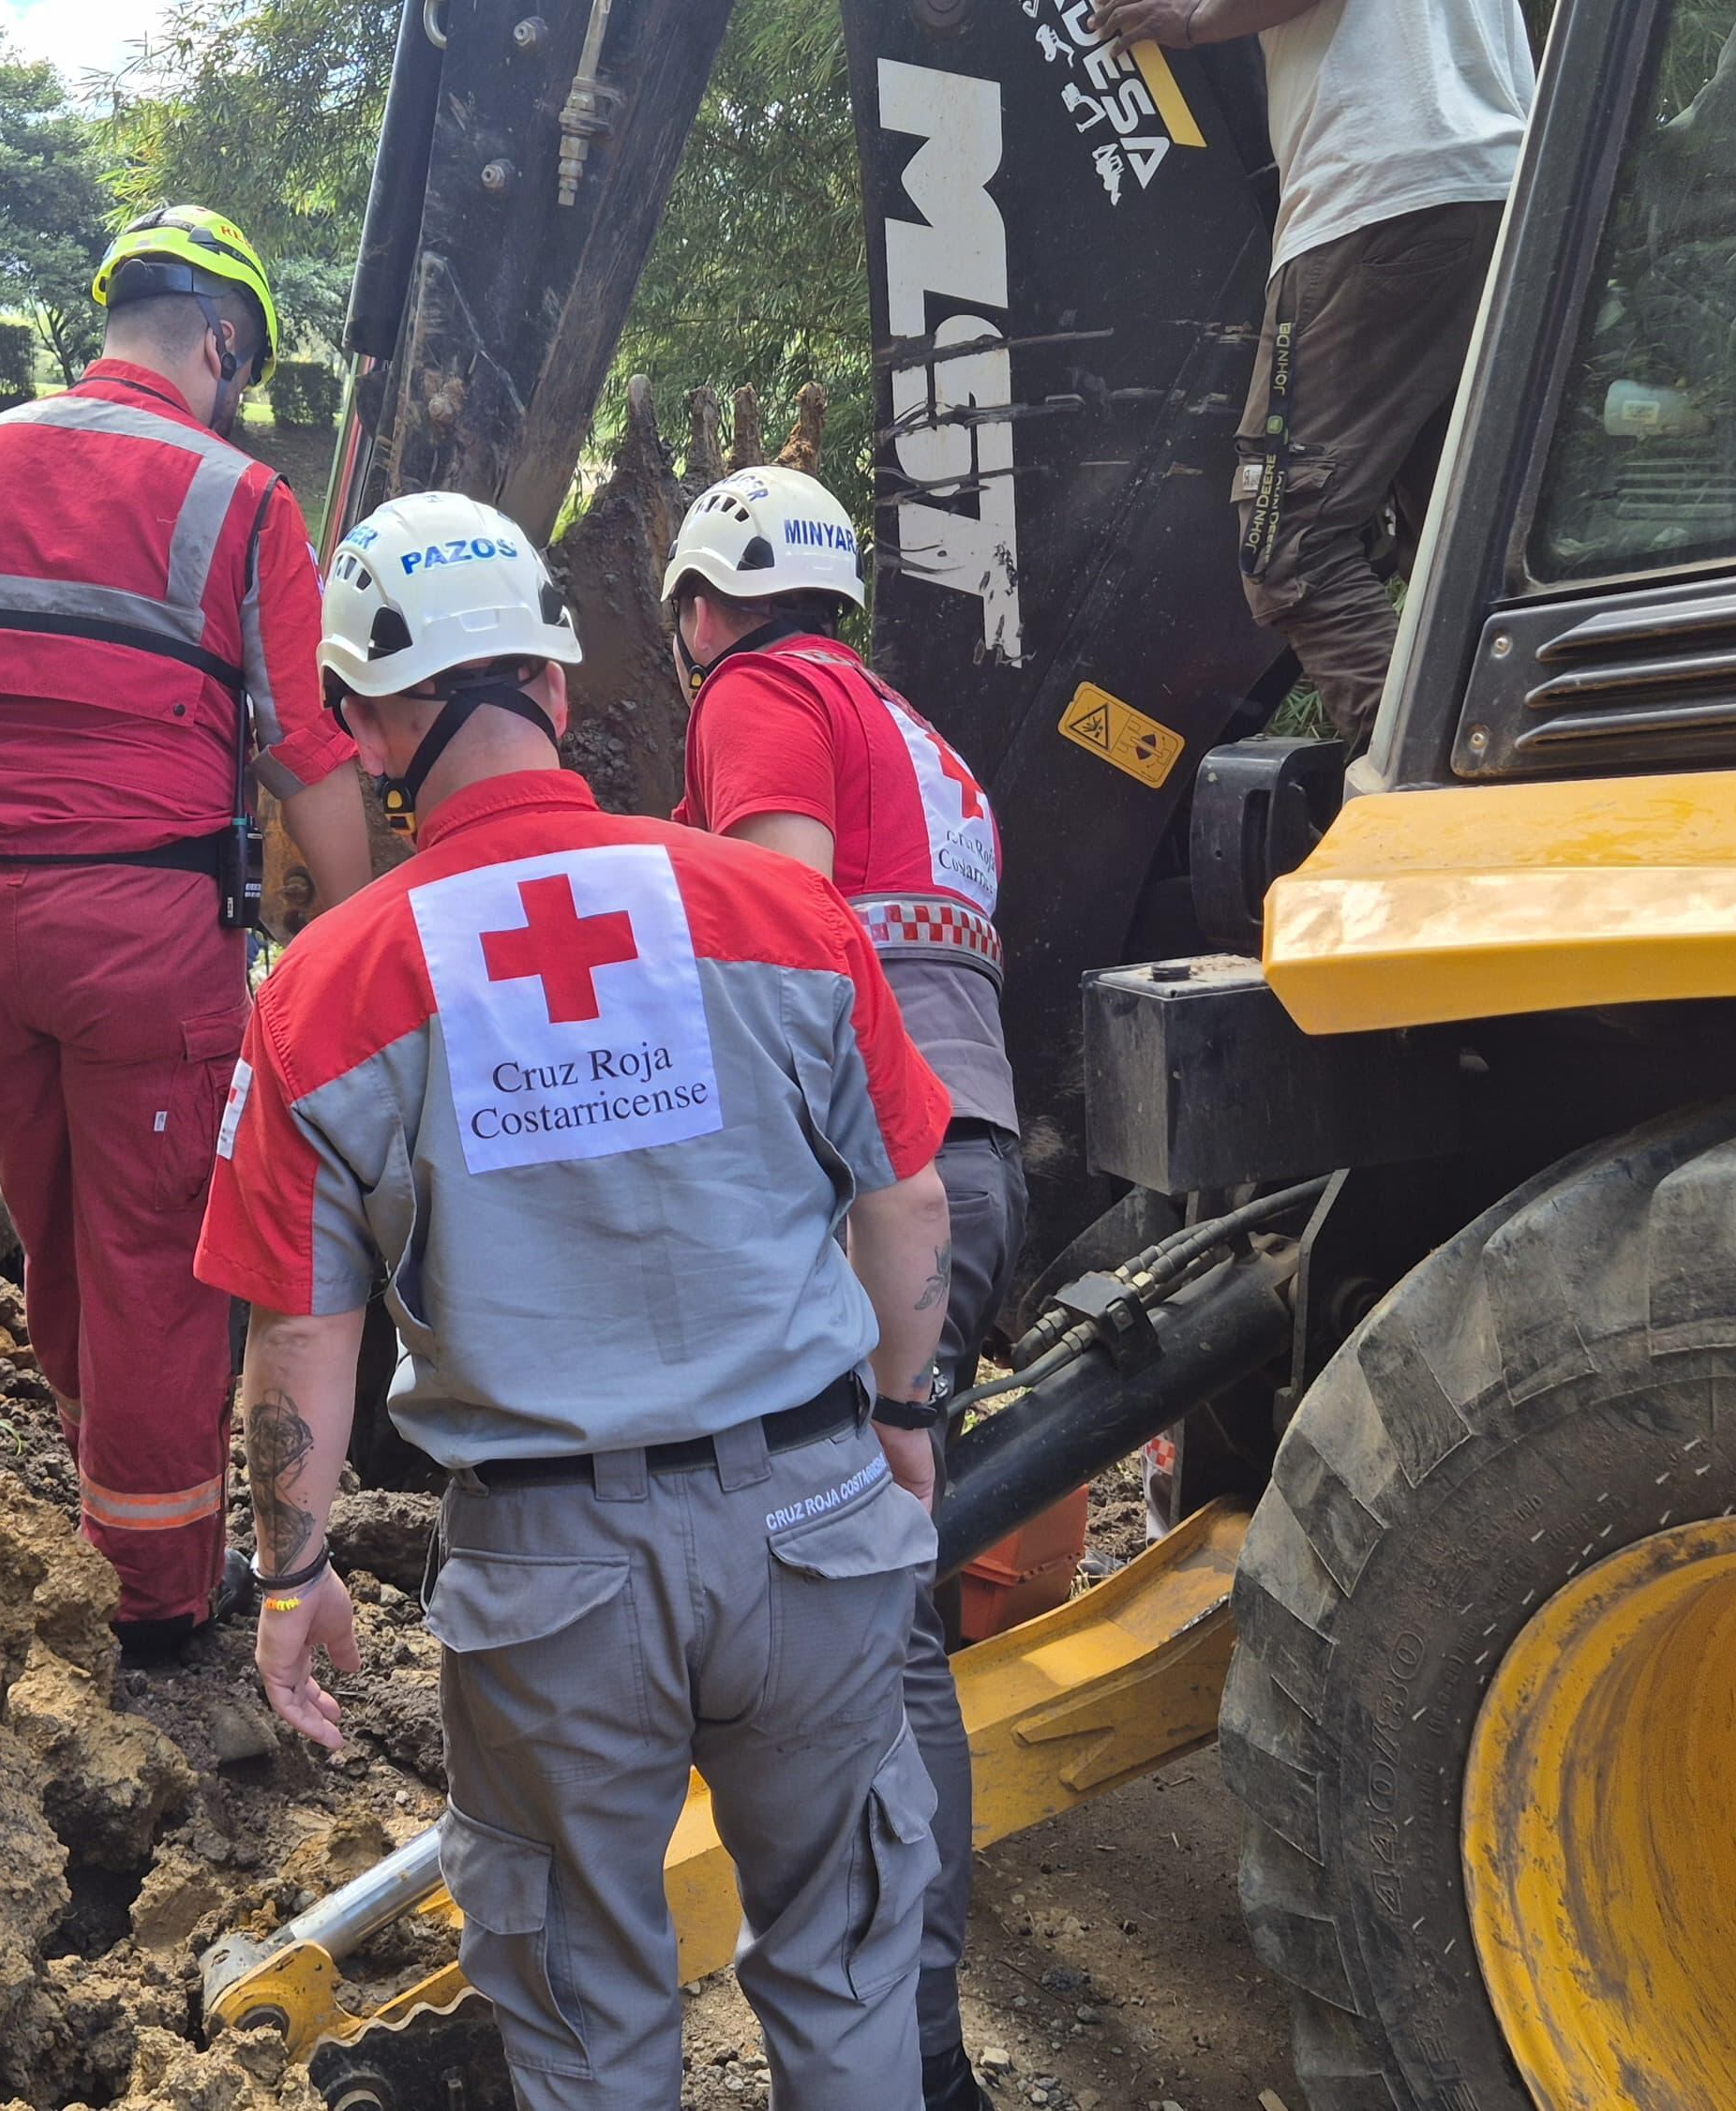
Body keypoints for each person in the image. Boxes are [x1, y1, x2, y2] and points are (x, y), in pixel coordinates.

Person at [206, 490, 959, 2111]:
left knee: (580, 2003)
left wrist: (293, 1569)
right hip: (815, 1515)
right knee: (847, 1956)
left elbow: (303, 1328)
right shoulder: (781, 912)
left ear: (370, 725)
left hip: (554, 1579)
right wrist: (901, 1421)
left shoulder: (328, 988)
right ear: (555, 682)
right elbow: (909, 1203)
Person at [0, 202, 376, 1664]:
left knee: (58, 1221)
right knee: (154, 1253)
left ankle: (109, 1486)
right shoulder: (241, 498)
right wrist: (360, 934)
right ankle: (154, 1594)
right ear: (222, 340)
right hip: (139, 932)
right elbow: (305, 752)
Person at [660, 463, 1020, 2111]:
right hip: (967, 1158)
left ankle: (917, 2055)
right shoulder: (912, 730)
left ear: (700, 607)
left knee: (874, 1623)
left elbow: (780, 929)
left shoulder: (760, 693)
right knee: (887, 1580)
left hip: (870, 1166)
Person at [1095, 0, 1534, 744]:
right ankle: (1533, 759)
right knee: (1463, 545)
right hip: (1504, 195)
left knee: (1287, 546)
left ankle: (1427, 774)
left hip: (1377, 190)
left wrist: (1191, 20)